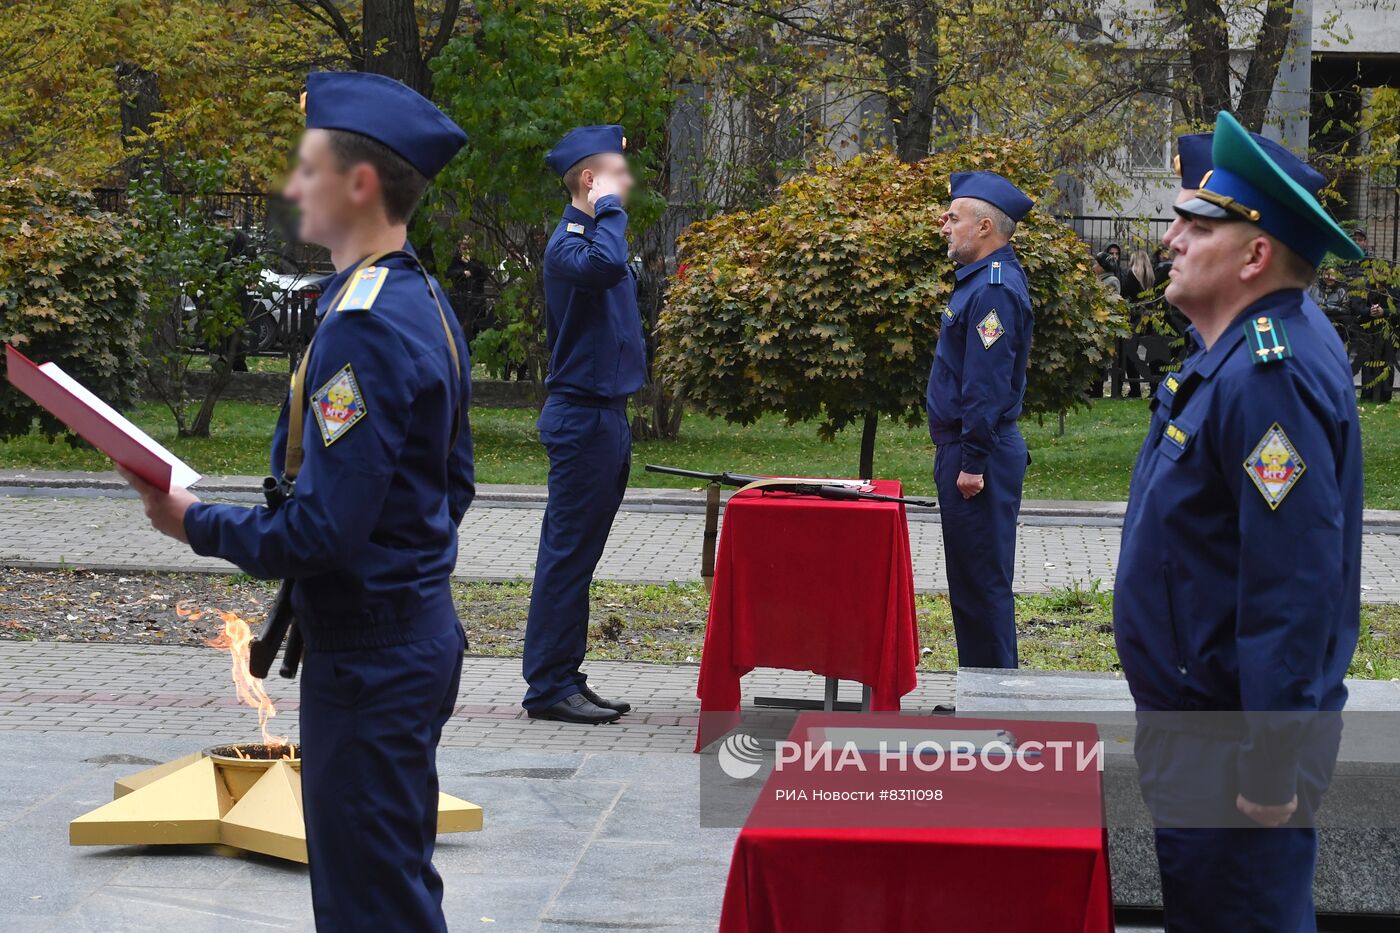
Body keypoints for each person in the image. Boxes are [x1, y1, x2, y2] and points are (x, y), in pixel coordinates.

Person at [117, 71, 474, 931]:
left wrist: (192, 521)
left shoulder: (365, 324)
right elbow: (452, 483)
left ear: (358, 185)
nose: (290, 186)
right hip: (407, 635)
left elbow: (323, 528)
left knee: (370, 905)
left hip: (372, 657)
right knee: (390, 884)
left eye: (307, 167)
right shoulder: (420, 299)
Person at [1114, 111, 1365, 931]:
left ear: (1255, 254)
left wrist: (1267, 761)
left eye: (1197, 224)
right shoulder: (1239, 354)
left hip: (1230, 750)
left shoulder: (1269, 374)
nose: (1172, 238)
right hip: (1208, 732)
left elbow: (1291, 588)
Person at [522, 125, 644, 724]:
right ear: (591, 180)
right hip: (581, 418)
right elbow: (606, 264)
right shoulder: (572, 244)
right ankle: (546, 686)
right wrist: (608, 209)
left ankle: (565, 676)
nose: (629, 184)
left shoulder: (596, 241)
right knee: (566, 556)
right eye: (617, 173)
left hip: (608, 419)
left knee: (581, 557)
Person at [927, 170, 1034, 669]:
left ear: (986, 227)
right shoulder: (979, 284)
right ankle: (980, 696)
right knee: (969, 583)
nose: (944, 226)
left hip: (978, 457)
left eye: (954, 218)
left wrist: (972, 461)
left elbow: (985, 386)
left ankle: (994, 708)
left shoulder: (992, 289)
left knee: (983, 583)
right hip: (970, 450)